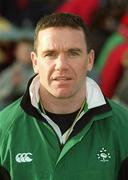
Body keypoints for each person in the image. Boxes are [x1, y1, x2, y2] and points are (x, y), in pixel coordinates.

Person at [0, 12, 128, 180]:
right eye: (50, 54)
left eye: (73, 53)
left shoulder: (124, 127)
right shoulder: (4, 129)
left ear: (90, 60)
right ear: (35, 61)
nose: (61, 65)